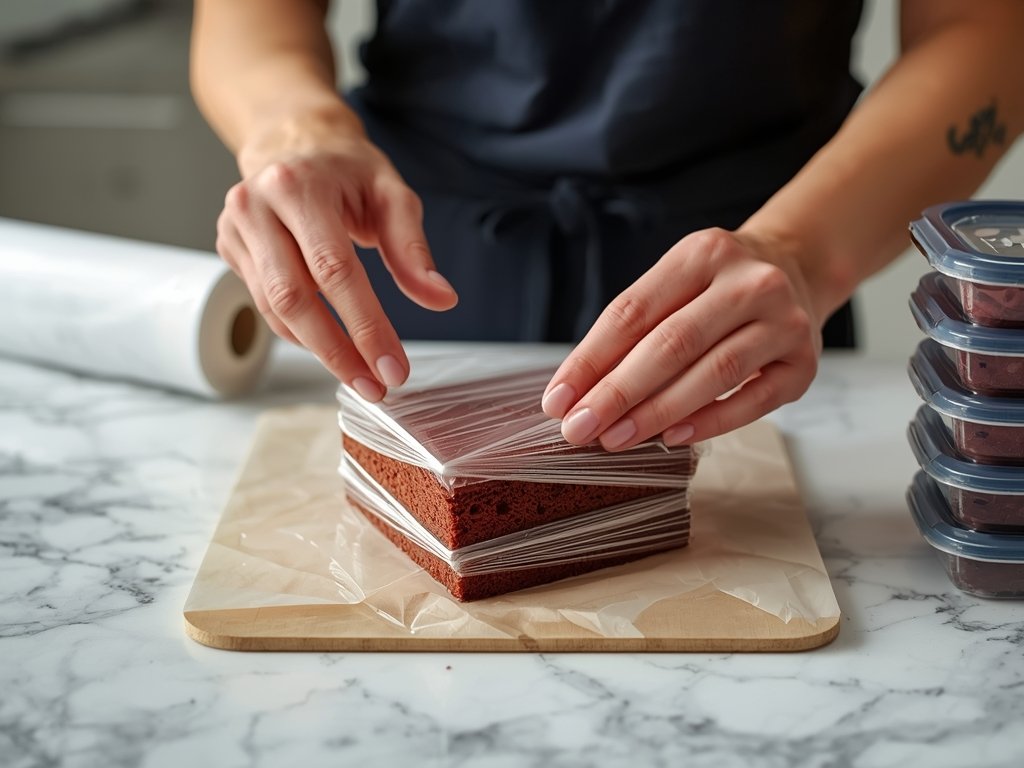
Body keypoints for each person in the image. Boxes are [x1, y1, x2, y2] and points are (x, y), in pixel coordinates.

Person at [190, 0, 1024, 451]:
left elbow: (984, 32)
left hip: (744, 310)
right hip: (414, 268)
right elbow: (249, 17)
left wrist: (799, 257)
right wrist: (295, 133)